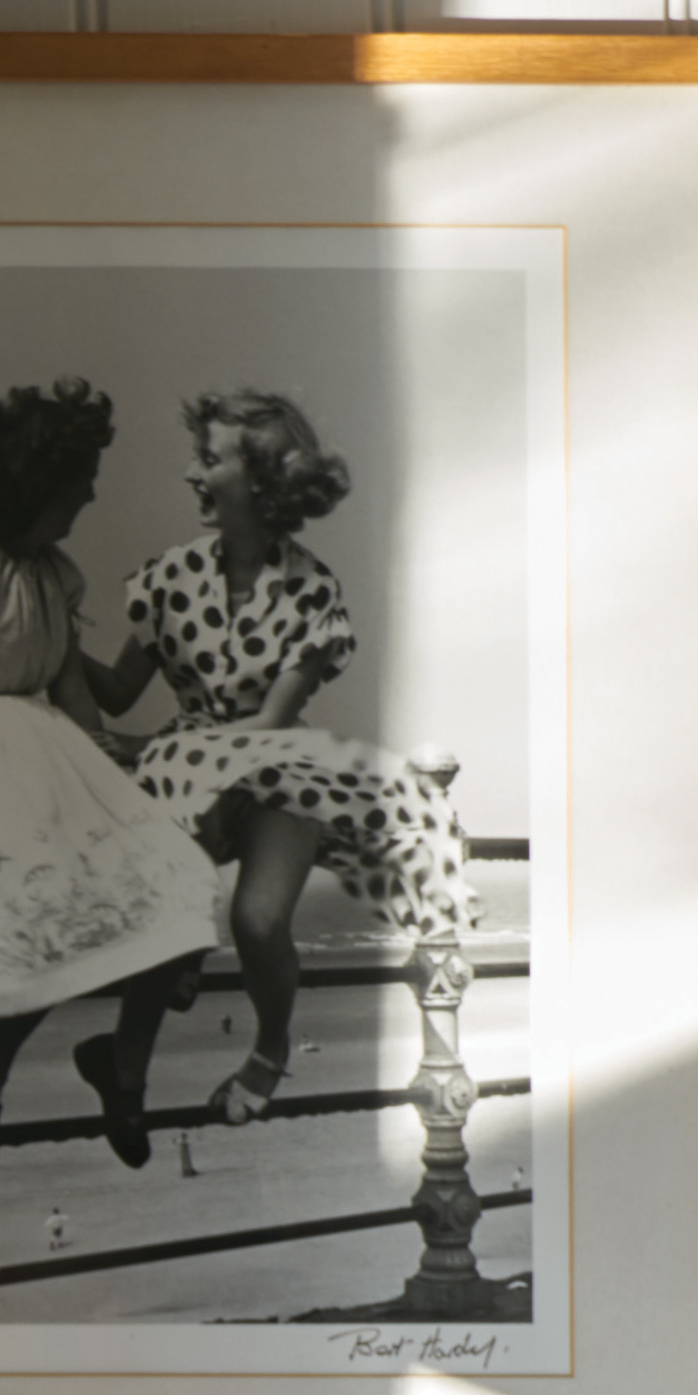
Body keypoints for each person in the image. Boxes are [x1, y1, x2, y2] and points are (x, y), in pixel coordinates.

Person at [0, 378, 222, 1185]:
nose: (91, 493)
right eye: (79, 481)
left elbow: (69, 690)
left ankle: (122, 1067)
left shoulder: (55, 575)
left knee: (177, 884)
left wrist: (115, 754)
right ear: (36, 484)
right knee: (48, 908)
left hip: (55, 749)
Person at [79, 384, 431, 1133]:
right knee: (173, 885)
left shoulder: (311, 591)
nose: (192, 473)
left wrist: (148, 751)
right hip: (192, 771)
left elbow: (267, 730)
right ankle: (128, 1069)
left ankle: (267, 1050)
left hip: (276, 774)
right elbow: (113, 691)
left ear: (262, 481)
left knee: (261, 920)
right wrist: (43, 633)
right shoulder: (169, 579)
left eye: (209, 459)